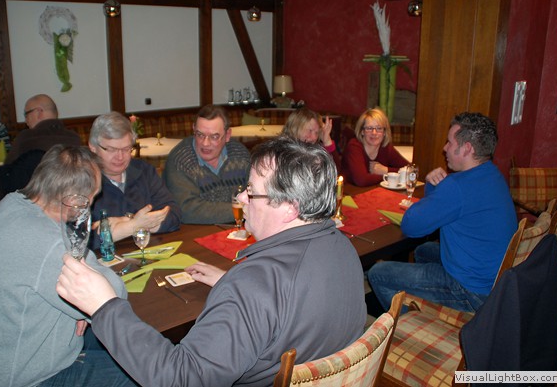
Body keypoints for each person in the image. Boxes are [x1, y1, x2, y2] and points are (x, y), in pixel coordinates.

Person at [56, 136, 367, 387]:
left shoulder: (253, 288)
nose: (241, 198)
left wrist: (105, 307)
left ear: (289, 208)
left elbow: (180, 378)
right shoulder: (341, 247)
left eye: (252, 192)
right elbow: (292, 297)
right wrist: (233, 283)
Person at [0, 145, 137, 387]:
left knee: (113, 343)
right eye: (93, 197)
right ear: (75, 202)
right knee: (141, 376)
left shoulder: (9, 205)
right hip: (10, 380)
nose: (92, 205)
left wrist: (83, 307)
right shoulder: (49, 242)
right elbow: (113, 297)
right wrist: (87, 304)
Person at [367, 112, 518, 312]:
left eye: (449, 142)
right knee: (423, 250)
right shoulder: (493, 174)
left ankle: (407, 323)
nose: (444, 148)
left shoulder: (457, 186)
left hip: (471, 292)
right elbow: (441, 209)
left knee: (378, 273)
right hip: (494, 281)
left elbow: (411, 226)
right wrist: (434, 187)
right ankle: (428, 305)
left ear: (467, 148)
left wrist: (435, 190)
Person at [88, 112, 180, 250]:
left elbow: (174, 216)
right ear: (93, 147)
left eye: (126, 149)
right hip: (103, 258)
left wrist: (127, 223)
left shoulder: (144, 171)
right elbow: (81, 239)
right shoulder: (81, 180)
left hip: (148, 251)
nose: (120, 157)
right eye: (111, 149)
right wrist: (134, 224)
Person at [163, 105, 250, 224]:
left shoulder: (240, 154)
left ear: (227, 135)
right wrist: (243, 209)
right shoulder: (180, 160)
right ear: (193, 129)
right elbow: (186, 210)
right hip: (194, 231)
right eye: (200, 135)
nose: (205, 143)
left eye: (214, 137)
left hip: (239, 227)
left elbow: (256, 193)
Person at [5, 94, 82, 164]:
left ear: (39, 112)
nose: (26, 120)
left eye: (26, 114)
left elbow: (8, 168)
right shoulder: (75, 137)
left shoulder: (26, 137)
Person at [341, 108, 409, 186]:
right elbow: (361, 180)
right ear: (362, 131)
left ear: (384, 132)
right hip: (350, 191)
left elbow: (410, 171)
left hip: (375, 190)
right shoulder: (354, 146)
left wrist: (386, 170)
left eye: (379, 128)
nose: (374, 133)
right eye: (369, 128)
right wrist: (387, 176)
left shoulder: (386, 148)